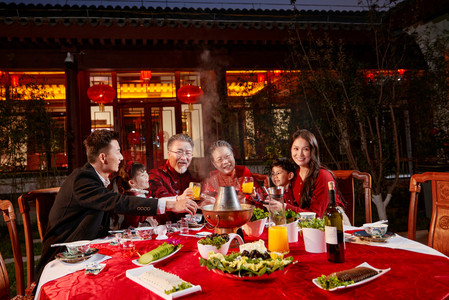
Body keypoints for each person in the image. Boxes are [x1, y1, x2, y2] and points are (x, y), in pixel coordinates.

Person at [36, 130, 197, 281]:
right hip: (64, 261)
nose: (121, 157)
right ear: (103, 157)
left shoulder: (99, 180)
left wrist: (174, 200)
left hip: (90, 255)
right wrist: (171, 205)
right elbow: (119, 203)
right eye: (118, 151)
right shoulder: (83, 179)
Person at [286, 129, 345, 217]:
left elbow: (317, 215)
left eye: (305, 149)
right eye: (296, 149)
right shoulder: (294, 175)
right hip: (307, 224)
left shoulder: (323, 176)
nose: (300, 154)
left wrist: (285, 207)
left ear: (312, 151)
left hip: (332, 223)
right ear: (291, 150)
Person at [147, 133, 199, 222]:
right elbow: (158, 200)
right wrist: (179, 198)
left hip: (191, 229)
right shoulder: (156, 175)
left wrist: (204, 203)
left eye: (188, 153)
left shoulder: (194, 177)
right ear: (169, 154)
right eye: (179, 152)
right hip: (164, 231)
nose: (184, 157)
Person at [203, 140, 264, 204]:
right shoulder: (212, 178)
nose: (225, 162)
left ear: (233, 155)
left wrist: (255, 197)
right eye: (219, 159)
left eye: (227, 156)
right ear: (214, 164)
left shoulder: (243, 172)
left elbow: (260, 199)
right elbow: (206, 202)